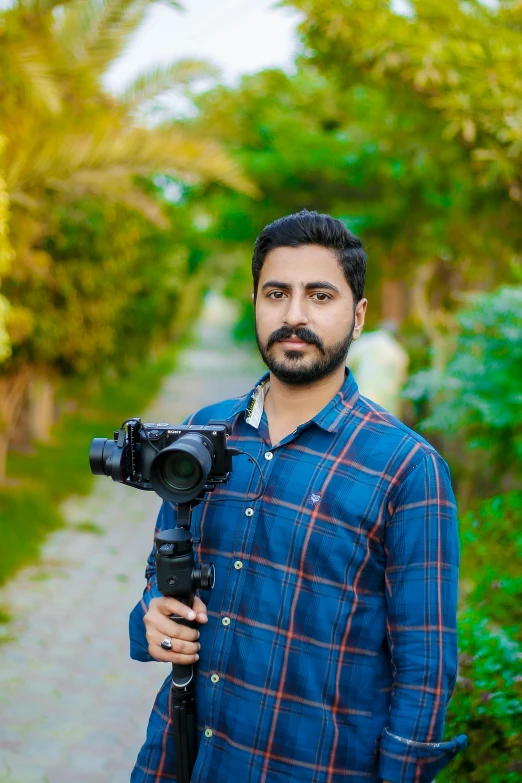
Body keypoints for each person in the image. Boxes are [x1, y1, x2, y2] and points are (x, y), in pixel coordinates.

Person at [129, 210, 467, 783]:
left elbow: (425, 667)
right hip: (181, 757)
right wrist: (150, 618)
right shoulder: (204, 434)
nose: (293, 315)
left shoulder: (408, 470)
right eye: (276, 293)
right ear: (255, 303)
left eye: (319, 295)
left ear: (357, 317)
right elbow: (163, 576)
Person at [346, 322, 409, 418]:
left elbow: (347, 364)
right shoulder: (398, 351)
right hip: (386, 402)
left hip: (361, 395)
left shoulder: (364, 342)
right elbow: (402, 380)